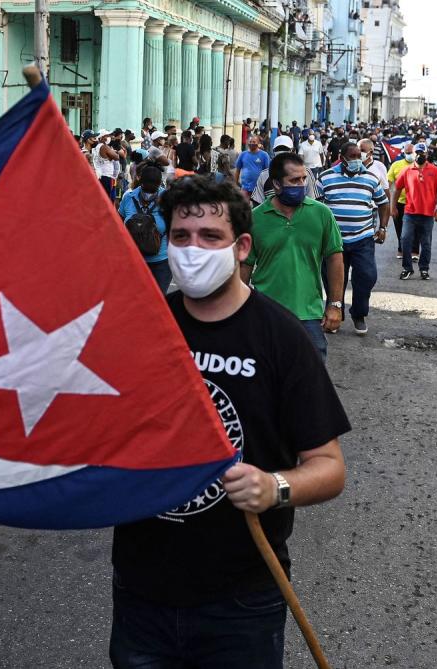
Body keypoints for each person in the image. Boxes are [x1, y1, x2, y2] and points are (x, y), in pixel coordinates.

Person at [110, 177, 348, 669]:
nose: (192, 249)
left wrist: (274, 487)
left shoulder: (282, 338)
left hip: (242, 599)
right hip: (141, 589)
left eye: (209, 237)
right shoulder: (144, 327)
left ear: (241, 247)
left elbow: (329, 467)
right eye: (181, 236)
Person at [241, 153, 344, 361]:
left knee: (311, 385)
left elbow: (335, 258)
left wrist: (335, 305)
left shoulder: (321, 213)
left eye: (304, 179)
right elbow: (244, 266)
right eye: (294, 180)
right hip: (265, 315)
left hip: (309, 316)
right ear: (277, 184)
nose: (302, 185)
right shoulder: (255, 219)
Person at [315, 142, 390, 335]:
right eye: (353, 156)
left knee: (366, 276)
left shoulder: (370, 178)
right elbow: (315, 207)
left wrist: (382, 227)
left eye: (360, 156)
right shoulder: (326, 177)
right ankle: (334, 313)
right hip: (334, 240)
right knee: (332, 279)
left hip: (363, 238)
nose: (358, 160)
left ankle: (359, 314)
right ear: (342, 157)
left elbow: (383, 203)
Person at [393, 143, 437, 280]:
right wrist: (393, 207)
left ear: (427, 154)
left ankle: (424, 269)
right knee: (405, 239)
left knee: (426, 243)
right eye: (417, 152)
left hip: (428, 214)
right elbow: (397, 189)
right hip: (410, 213)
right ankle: (407, 268)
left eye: (422, 153)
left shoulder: (436, 171)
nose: (419, 155)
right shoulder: (407, 170)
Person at [118, 165, 171, 294]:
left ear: (159, 185)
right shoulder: (128, 198)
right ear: (140, 182)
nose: (149, 193)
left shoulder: (168, 199)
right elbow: (118, 223)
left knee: (158, 301)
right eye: (146, 188)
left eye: (154, 190)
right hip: (134, 262)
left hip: (161, 263)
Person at [250, 136, 318, 206]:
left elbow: (313, 201)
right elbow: (257, 203)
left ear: (293, 151)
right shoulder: (264, 175)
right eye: (278, 149)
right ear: (273, 152)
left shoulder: (305, 172)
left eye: (285, 149)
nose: (282, 152)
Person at [387, 143, 420, 259]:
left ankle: (415, 251)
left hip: (416, 202)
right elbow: (389, 182)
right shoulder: (396, 165)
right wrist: (390, 202)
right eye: (407, 153)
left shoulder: (420, 164)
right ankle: (401, 248)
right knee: (399, 226)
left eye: (411, 152)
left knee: (415, 227)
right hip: (400, 202)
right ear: (403, 153)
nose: (410, 155)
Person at [92, 129, 121, 201]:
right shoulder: (104, 147)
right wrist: (114, 153)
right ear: (101, 137)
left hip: (100, 174)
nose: (109, 137)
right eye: (107, 136)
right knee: (107, 198)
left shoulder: (96, 147)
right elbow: (116, 157)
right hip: (106, 176)